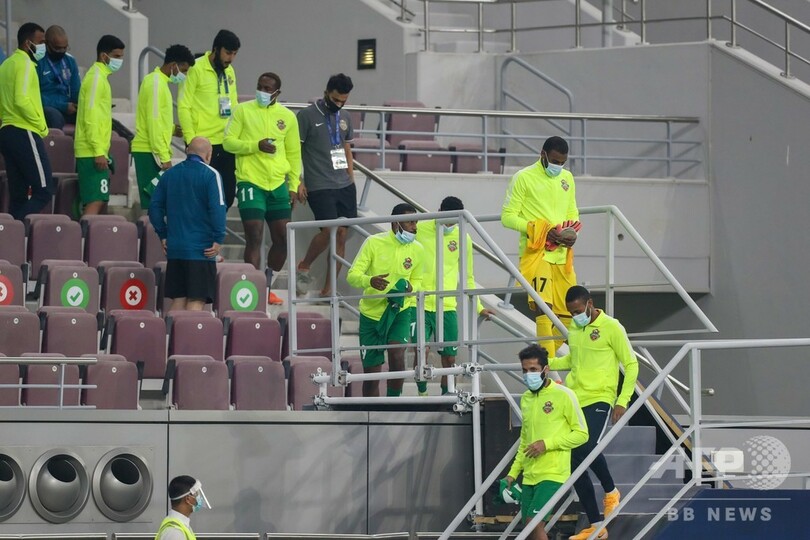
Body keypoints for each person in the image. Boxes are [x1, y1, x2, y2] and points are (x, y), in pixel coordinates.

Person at [549, 285, 639, 540]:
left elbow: (631, 364)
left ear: (590, 303)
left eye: (578, 311)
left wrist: (623, 400)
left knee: (586, 447)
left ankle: (611, 492)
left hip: (600, 397)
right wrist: (547, 363)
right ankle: (596, 525)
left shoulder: (612, 327)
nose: (575, 316)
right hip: (575, 398)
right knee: (572, 460)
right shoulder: (575, 329)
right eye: (571, 312)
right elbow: (572, 360)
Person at [223, 72, 301, 306]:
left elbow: (294, 154)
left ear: (277, 93)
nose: (262, 92)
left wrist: (294, 185)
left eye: (267, 89)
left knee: (282, 239)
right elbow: (228, 142)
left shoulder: (287, 117)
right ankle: (250, 288)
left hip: (278, 184)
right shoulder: (242, 111)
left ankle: (266, 286)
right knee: (254, 234)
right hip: (250, 181)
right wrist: (255, 145)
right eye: (260, 87)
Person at [501, 136, 580, 360]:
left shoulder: (567, 178)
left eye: (562, 162)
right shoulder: (523, 177)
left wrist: (572, 232)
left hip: (563, 256)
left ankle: (543, 361)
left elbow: (573, 212)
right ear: (543, 154)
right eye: (554, 161)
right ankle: (550, 370)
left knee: (571, 314)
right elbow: (507, 217)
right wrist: (540, 230)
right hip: (537, 253)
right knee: (544, 308)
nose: (558, 166)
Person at [411, 196, 495, 395]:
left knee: (449, 357)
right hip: (419, 302)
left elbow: (468, 276)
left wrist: (478, 306)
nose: (449, 225)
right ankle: (422, 393)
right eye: (447, 220)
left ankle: (447, 394)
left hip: (447, 305)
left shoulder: (462, 237)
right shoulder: (420, 229)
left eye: (453, 222)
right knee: (421, 351)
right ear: (439, 211)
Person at [505, 344, 588, 540]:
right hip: (530, 475)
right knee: (530, 529)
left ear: (546, 369)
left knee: (533, 523)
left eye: (533, 369)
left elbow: (582, 434)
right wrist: (512, 474)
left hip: (553, 473)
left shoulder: (564, 394)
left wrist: (547, 444)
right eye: (525, 370)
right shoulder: (526, 399)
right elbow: (525, 440)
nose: (528, 375)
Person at [347, 203, 425, 397]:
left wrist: (411, 287)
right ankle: (372, 411)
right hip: (371, 314)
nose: (414, 227)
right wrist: (370, 281)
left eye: (415, 222)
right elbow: (352, 276)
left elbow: (418, 281)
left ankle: (393, 403)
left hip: (400, 310)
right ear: (395, 223)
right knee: (371, 375)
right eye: (409, 222)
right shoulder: (373, 242)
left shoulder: (418, 249)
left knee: (397, 354)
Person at [295, 73, 356, 297]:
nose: (338, 104)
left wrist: (351, 176)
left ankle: (328, 290)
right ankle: (304, 265)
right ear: (326, 93)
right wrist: (298, 180)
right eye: (335, 99)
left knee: (341, 235)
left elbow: (346, 148)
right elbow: (295, 150)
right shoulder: (306, 115)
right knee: (329, 229)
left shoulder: (345, 116)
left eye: (343, 101)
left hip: (344, 184)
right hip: (319, 183)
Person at [149, 137, 226, 312]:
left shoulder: (169, 174)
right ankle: (189, 333)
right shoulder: (211, 174)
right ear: (209, 154)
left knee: (178, 300)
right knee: (196, 301)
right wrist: (218, 238)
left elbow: (154, 208)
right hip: (201, 250)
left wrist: (163, 234)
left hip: (175, 249)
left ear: (186, 151)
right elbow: (218, 208)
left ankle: (169, 331)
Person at [178, 29, 240, 209]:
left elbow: (234, 105)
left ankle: (215, 226)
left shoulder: (230, 71)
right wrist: (191, 139)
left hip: (226, 141)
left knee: (227, 196)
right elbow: (184, 105)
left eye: (234, 54)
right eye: (228, 53)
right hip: (203, 143)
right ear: (216, 49)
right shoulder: (195, 69)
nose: (231, 58)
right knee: (201, 195)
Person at [0, 22, 54, 220]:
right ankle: (15, 228)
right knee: (44, 190)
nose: (44, 46)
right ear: (27, 43)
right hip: (24, 130)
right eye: (41, 42)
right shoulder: (25, 64)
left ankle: (11, 235)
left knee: (18, 196)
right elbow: (21, 100)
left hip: (6, 131)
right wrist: (41, 125)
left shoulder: (6, 64)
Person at [131, 44, 196, 209]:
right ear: (173, 65)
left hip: (152, 149)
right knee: (155, 205)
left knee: (160, 205)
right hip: (149, 151)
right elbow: (154, 123)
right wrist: (164, 157)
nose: (184, 75)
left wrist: (172, 129)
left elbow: (156, 119)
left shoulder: (158, 82)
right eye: (184, 70)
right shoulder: (156, 84)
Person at [74, 34, 126, 218]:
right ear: (104, 56)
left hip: (96, 149)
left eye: (121, 56)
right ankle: (82, 235)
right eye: (116, 56)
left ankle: (87, 234)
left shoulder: (101, 78)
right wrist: (98, 151)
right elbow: (90, 117)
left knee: (99, 200)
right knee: (95, 201)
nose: (120, 61)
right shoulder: (96, 79)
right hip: (90, 151)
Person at [36, 25, 80, 130]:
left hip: (67, 107)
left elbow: (76, 91)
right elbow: (35, 96)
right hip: (47, 107)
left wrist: (82, 105)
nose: (61, 51)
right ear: (47, 44)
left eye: (65, 48)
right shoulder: (38, 62)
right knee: (55, 117)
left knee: (95, 117)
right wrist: (62, 106)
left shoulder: (70, 61)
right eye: (57, 48)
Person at [156, 475, 210, 540]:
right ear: (188, 499)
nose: (199, 498)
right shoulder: (175, 532)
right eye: (196, 494)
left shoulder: (181, 525)